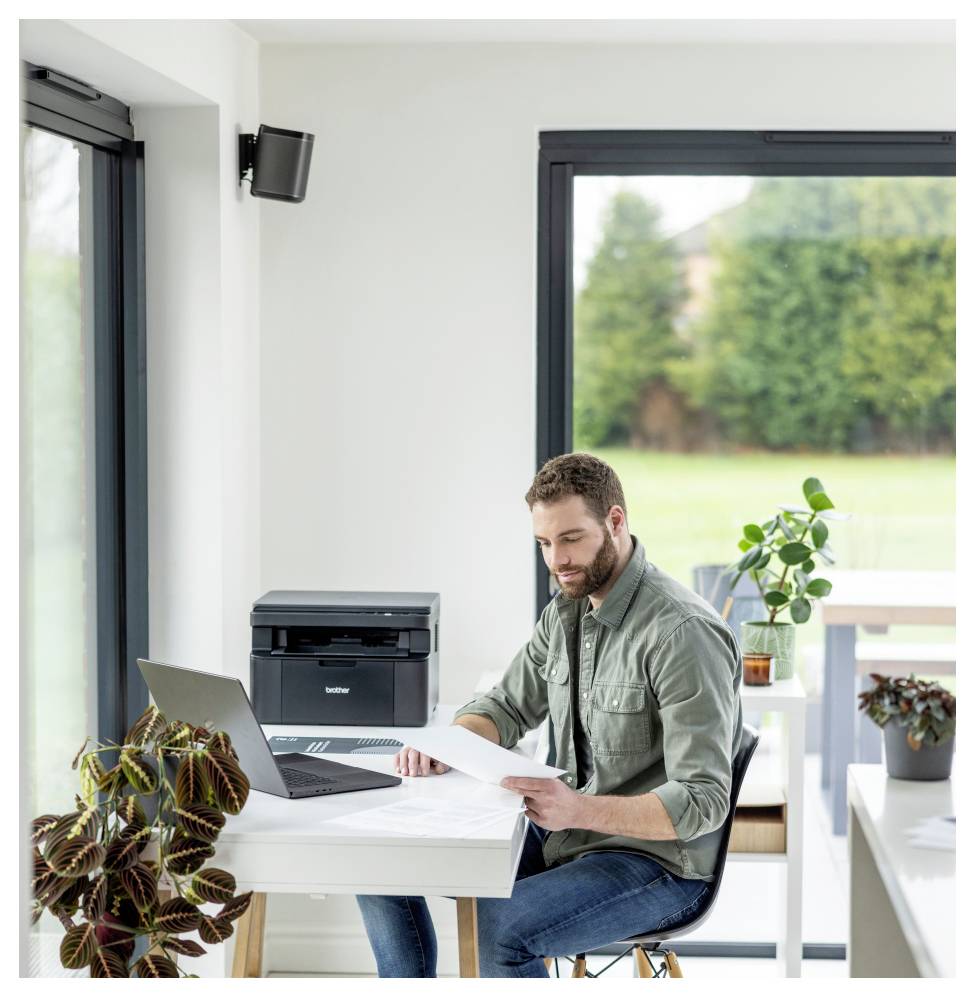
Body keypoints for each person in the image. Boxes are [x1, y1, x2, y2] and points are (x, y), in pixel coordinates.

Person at [356, 452, 742, 977]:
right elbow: (507, 705)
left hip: (656, 862)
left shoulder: (682, 634)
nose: (556, 559)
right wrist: (447, 744)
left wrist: (577, 810)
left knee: (503, 929)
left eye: (571, 538)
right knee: (379, 861)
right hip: (566, 834)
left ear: (616, 522)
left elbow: (702, 800)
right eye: (544, 543)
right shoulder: (568, 609)